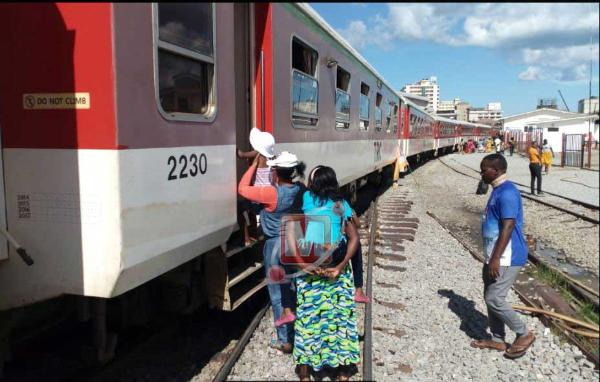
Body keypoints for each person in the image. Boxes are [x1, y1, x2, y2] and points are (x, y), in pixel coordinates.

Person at [294, 166, 360, 381]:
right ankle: (342, 371)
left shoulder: (305, 199)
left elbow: (291, 233)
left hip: (310, 269)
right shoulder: (341, 205)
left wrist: (303, 265)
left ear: (313, 183)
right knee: (341, 320)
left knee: (308, 320)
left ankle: (305, 373)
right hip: (336, 272)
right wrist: (341, 267)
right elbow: (354, 239)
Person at [238, 151, 306, 353]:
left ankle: (284, 340)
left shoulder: (271, 193)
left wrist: (253, 164)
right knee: (291, 287)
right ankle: (294, 331)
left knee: (276, 292)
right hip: (294, 243)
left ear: (275, 172)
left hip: (274, 246)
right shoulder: (301, 189)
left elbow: (242, 189)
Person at [471, 153, 535, 359]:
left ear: (496, 171)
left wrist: (497, 258)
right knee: (490, 295)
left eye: (484, 170)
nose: (481, 173)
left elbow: (508, 226)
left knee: (494, 297)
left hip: (508, 256)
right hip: (495, 254)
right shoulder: (498, 189)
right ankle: (498, 340)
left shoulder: (507, 193)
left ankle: (524, 334)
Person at [237, 128, 277, 245]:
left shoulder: (258, 155)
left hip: (257, 195)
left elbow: (241, 154)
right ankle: (254, 233)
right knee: (252, 210)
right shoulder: (273, 157)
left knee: (242, 208)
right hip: (268, 194)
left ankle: (246, 238)